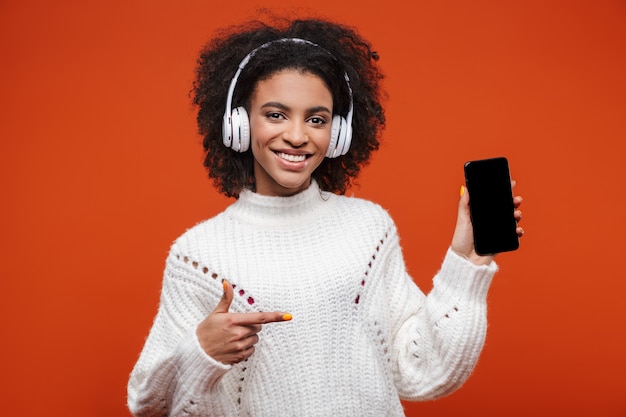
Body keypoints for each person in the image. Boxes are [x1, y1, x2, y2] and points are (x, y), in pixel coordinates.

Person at [127, 17, 524, 417]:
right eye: (276, 115)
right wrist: (201, 353)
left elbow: (422, 370)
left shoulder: (369, 228)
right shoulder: (197, 255)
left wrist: (467, 263)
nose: (298, 136)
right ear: (239, 123)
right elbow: (148, 404)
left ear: (337, 133)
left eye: (316, 119)